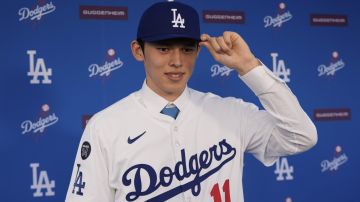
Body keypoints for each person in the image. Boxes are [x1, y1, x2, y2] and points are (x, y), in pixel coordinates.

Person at [66, 1, 317, 202]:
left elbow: (301, 136)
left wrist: (248, 66)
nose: (177, 61)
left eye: (187, 49)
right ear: (138, 50)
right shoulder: (105, 126)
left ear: (198, 50)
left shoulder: (230, 112)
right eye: (164, 48)